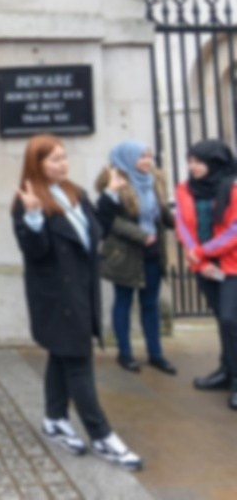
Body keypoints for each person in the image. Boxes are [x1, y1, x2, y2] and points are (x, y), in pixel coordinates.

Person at [12, 134, 142, 470]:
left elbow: (96, 227)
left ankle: (55, 419)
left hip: (81, 290)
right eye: (54, 159)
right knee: (78, 362)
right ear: (36, 164)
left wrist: (110, 195)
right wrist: (34, 218)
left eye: (64, 157)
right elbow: (35, 252)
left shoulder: (75, 193)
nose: (62, 164)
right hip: (56, 295)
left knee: (63, 352)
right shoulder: (27, 200)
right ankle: (102, 436)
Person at [95, 141, 177, 374]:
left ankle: (156, 354)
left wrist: (179, 225)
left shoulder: (155, 180)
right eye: (142, 156)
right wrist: (140, 235)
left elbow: (161, 212)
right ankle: (125, 353)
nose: (147, 161)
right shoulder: (115, 181)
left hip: (152, 252)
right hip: (126, 253)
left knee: (150, 304)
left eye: (149, 156)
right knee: (123, 301)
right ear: (128, 158)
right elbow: (109, 220)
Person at [175, 139, 237, 410]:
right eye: (190, 161)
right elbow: (182, 225)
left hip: (231, 264)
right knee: (221, 321)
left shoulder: (233, 187)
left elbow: (234, 230)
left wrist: (202, 251)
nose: (193, 167)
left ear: (215, 163)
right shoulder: (184, 189)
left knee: (230, 319)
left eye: (199, 161)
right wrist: (198, 259)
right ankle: (226, 371)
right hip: (204, 266)